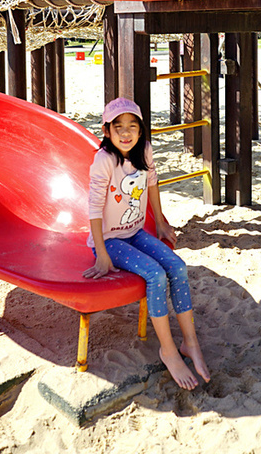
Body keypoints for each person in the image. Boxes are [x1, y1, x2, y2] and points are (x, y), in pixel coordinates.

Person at [82, 97, 211, 389]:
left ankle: (190, 343)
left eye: (132, 126)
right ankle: (168, 350)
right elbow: (93, 209)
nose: (125, 133)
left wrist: (161, 221)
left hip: (135, 232)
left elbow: (151, 182)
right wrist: (101, 254)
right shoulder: (104, 161)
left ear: (141, 131)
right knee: (155, 274)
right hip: (109, 239)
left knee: (177, 266)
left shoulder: (144, 151)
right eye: (118, 127)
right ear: (106, 131)